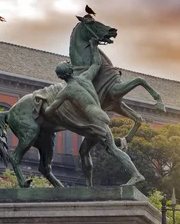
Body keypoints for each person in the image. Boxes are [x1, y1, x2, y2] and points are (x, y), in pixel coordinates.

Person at [42, 38, 145, 186]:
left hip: (94, 121)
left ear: (61, 77)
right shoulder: (85, 77)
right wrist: (94, 46)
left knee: (113, 149)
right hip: (95, 120)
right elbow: (97, 63)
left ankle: (136, 174)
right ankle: (89, 186)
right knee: (84, 151)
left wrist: (42, 103)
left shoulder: (66, 91)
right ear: (71, 70)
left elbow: (50, 110)